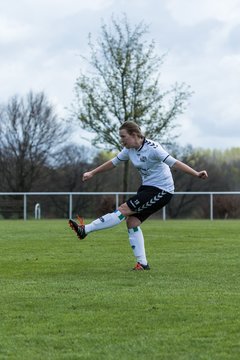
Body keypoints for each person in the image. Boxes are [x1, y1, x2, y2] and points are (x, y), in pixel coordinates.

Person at [69, 121, 208, 270]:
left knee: (123, 209)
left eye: (123, 136)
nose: (121, 140)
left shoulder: (154, 149)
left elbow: (175, 163)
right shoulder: (129, 149)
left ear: (134, 135)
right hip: (147, 188)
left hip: (162, 190)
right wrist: (92, 172)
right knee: (132, 222)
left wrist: (196, 173)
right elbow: (113, 162)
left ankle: (85, 229)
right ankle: (142, 264)